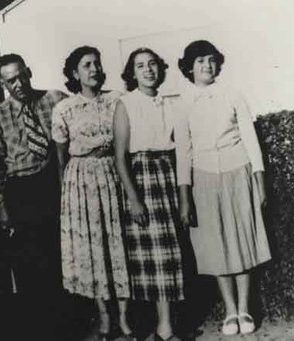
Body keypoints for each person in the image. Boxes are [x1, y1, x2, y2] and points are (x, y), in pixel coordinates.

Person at [175, 40, 271, 336]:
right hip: (203, 177)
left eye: (211, 59)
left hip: (237, 171)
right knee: (215, 245)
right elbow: (183, 153)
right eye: (200, 61)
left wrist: (260, 181)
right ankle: (229, 310)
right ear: (189, 68)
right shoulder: (183, 103)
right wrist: (184, 197)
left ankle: (244, 309)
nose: (207, 65)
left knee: (242, 239)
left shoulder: (233, 95)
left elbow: (250, 141)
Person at [0, 53, 68, 340]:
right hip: (20, 191)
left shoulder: (54, 99)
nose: (18, 84)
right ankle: (39, 329)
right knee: (28, 264)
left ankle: (65, 325)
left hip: (52, 184)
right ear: (3, 83)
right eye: (10, 81)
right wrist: (2, 207)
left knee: (58, 257)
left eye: (21, 76)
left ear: (29, 72)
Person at [52, 46, 131, 340]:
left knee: (118, 244)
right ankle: (104, 318)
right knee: (94, 250)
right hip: (80, 181)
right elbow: (61, 156)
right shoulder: (64, 108)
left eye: (96, 64)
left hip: (113, 174)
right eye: (86, 65)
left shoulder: (117, 100)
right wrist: (65, 194)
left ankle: (125, 318)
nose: (94, 69)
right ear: (75, 73)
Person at [113, 47, 184, 341]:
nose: (148, 70)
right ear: (132, 73)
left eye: (153, 64)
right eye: (140, 66)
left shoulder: (171, 103)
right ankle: (148, 326)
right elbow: (119, 156)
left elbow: (181, 149)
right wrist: (133, 198)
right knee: (149, 257)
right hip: (141, 178)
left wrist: (183, 193)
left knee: (171, 253)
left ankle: (165, 328)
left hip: (167, 173)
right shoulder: (126, 104)